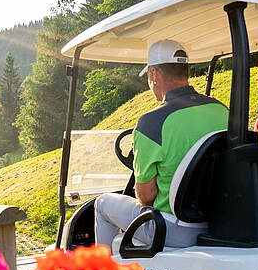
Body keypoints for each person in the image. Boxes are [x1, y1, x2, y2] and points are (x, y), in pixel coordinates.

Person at [94, 39, 228, 251]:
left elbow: (146, 197)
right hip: (216, 222)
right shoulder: (221, 110)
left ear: (154, 74)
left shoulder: (151, 123)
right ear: (187, 71)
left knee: (102, 204)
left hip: (172, 229)